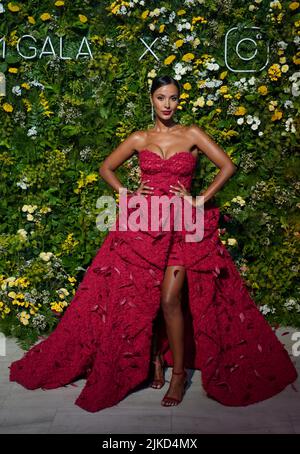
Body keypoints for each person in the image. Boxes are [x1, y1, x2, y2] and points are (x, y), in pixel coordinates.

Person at [9, 75, 298, 413]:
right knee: (141, 296)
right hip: (143, 226)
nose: (167, 104)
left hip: (181, 228)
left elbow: (227, 166)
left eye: (173, 98)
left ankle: (178, 374)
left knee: (169, 297)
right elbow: (105, 167)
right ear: (151, 99)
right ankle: (155, 362)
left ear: (179, 101)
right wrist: (127, 194)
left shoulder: (191, 134)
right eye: (161, 97)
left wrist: (198, 199)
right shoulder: (138, 138)